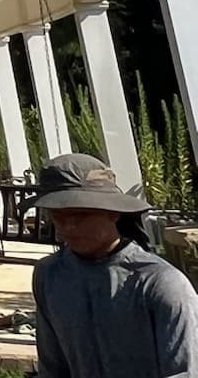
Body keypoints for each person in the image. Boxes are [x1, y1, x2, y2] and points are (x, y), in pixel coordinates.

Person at [30, 151, 198, 378]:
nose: (68, 227)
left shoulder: (159, 283)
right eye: (59, 216)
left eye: (80, 215)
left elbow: (184, 372)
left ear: (113, 213)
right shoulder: (49, 275)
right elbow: (52, 366)